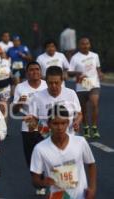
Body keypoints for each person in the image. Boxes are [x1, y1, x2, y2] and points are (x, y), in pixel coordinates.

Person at [30, 104, 96, 199]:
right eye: (55, 123)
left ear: (68, 123)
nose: (60, 127)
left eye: (63, 123)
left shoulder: (80, 142)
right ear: (49, 124)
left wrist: (92, 189)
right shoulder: (40, 149)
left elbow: (91, 164)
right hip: (59, 197)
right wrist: (42, 183)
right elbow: (35, 180)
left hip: (81, 196)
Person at [12, 61, 47, 195]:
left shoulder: (46, 85)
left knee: (46, 153)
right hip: (29, 127)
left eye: (37, 69)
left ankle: (42, 182)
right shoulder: (21, 87)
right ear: (27, 73)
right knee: (32, 157)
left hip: (46, 125)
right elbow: (14, 110)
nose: (35, 72)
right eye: (31, 70)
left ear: (40, 71)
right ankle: (38, 180)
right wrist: (19, 102)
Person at [27, 66, 82, 135]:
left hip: (70, 137)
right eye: (50, 83)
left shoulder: (71, 93)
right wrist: (31, 124)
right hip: (47, 139)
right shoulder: (37, 97)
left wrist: (76, 122)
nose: (53, 86)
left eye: (56, 83)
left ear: (62, 81)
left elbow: (79, 114)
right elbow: (33, 122)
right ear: (46, 81)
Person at [69, 38, 103, 138]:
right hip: (82, 85)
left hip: (93, 83)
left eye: (87, 43)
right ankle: (86, 127)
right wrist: (77, 73)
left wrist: (100, 73)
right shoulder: (75, 58)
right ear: (79, 46)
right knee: (83, 109)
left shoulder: (95, 56)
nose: (85, 46)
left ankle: (94, 127)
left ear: (90, 45)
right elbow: (70, 72)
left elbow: (98, 68)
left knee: (94, 104)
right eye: (83, 44)